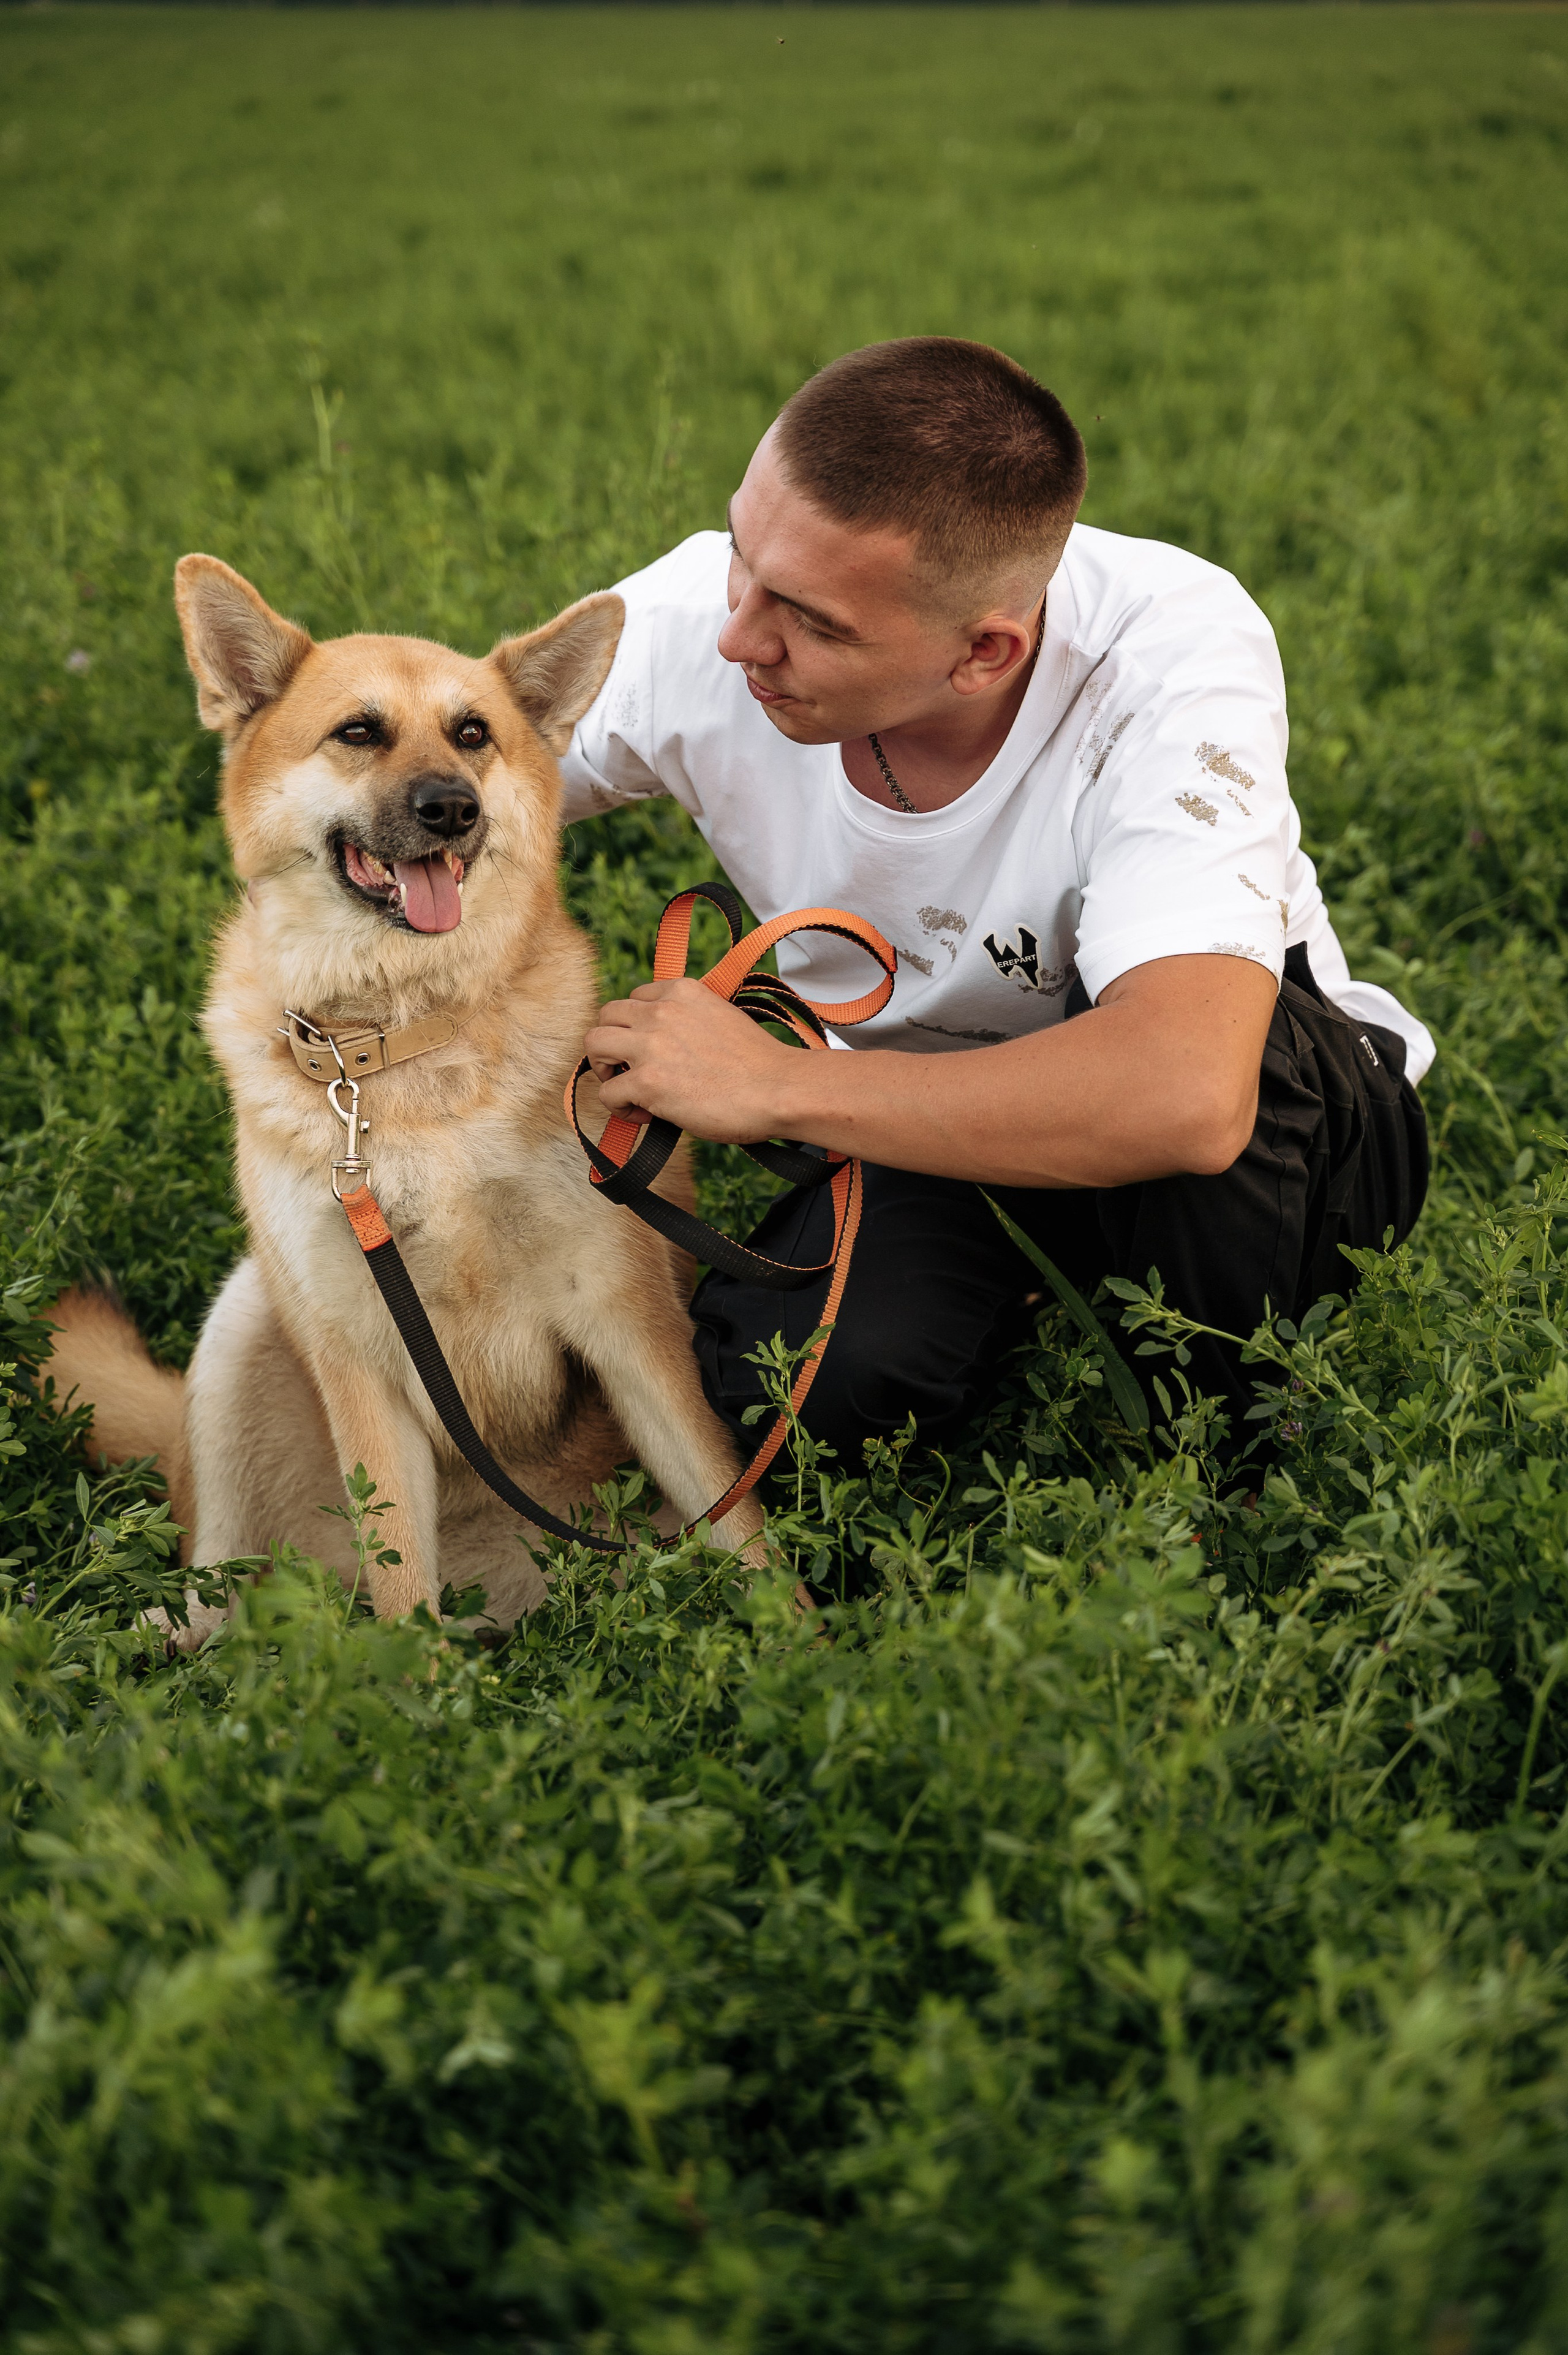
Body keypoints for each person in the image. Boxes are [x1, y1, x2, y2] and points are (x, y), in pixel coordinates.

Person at [562, 337, 1430, 1465]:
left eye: (814, 623)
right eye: (741, 554)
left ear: (986, 652)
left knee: (1232, 1092)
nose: (740, 638)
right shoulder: (699, 626)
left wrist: (777, 1084)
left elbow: (1186, 1094)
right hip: (924, 1116)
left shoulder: (1168, 652)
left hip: (1251, 1114)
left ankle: (1225, 1476)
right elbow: (444, 777)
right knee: (793, 1407)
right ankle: (1021, 1293)